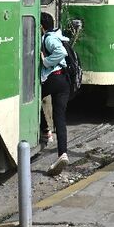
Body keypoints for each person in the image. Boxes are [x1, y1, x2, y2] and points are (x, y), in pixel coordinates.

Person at [40, 12, 70, 175]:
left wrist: (45, 61)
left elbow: (61, 52)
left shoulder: (49, 38)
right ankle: (62, 154)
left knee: (33, 100)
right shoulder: (58, 35)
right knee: (60, 117)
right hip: (64, 81)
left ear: (41, 27)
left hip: (54, 78)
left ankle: (45, 132)